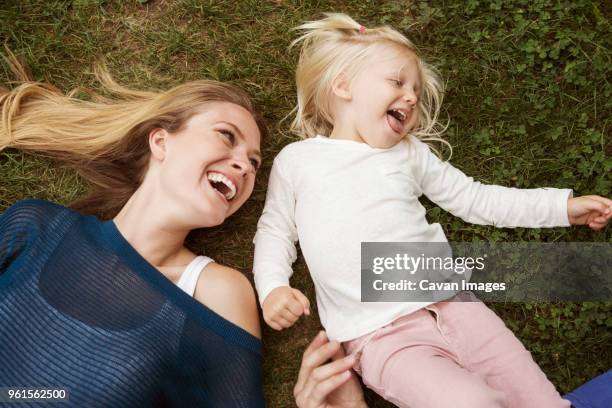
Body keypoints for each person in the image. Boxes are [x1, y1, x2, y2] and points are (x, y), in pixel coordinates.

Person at [252, 13, 612, 408]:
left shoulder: (409, 154)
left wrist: (561, 207)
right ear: (343, 85)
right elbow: (275, 230)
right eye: (397, 82)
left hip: (457, 308)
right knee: (470, 403)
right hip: (379, 336)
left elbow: (476, 199)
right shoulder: (298, 160)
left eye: (416, 93)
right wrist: (272, 287)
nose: (410, 97)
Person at [0, 53, 366, 407]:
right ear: (161, 141)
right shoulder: (36, 225)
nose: (245, 166)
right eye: (226, 135)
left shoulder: (215, 293)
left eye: (254, 163)